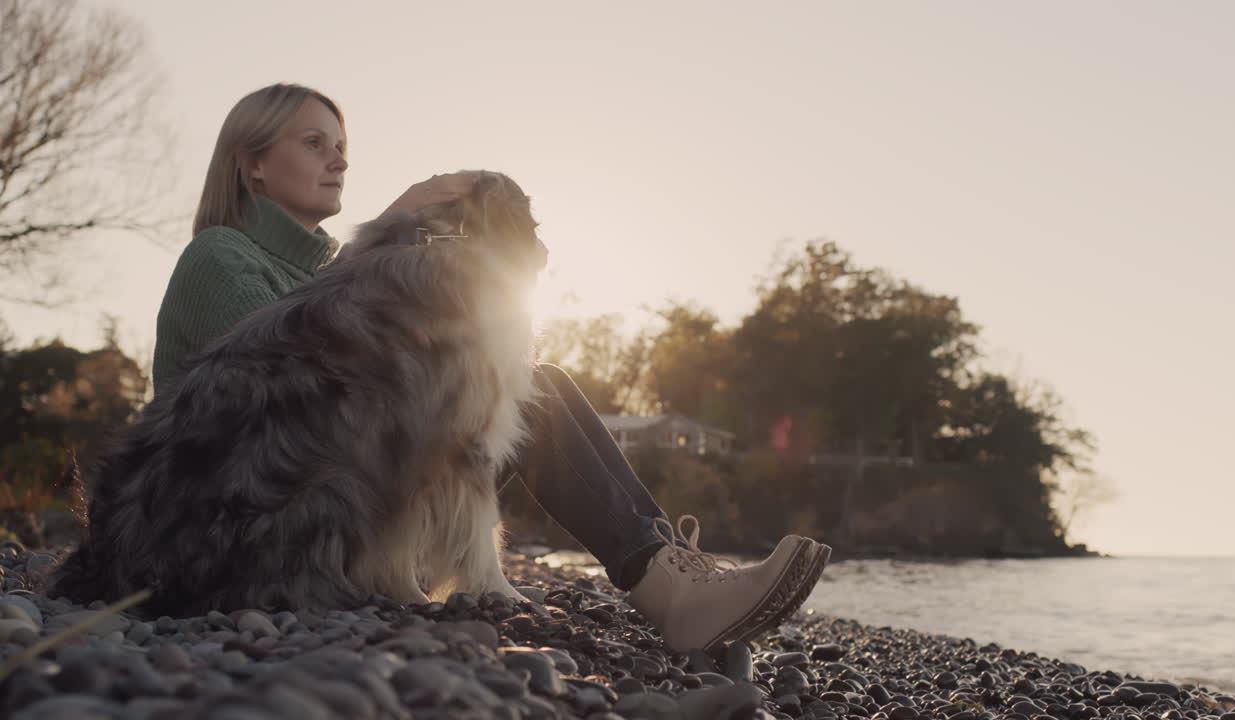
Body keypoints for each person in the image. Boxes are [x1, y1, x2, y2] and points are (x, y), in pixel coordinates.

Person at [152, 83, 830, 652]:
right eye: (313, 143)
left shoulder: (323, 274)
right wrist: (385, 230)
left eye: (342, 148)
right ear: (252, 166)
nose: (339, 162)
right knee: (521, 387)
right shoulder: (218, 258)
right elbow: (280, 382)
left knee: (534, 381)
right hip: (231, 526)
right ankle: (665, 585)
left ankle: (665, 574)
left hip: (316, 500)